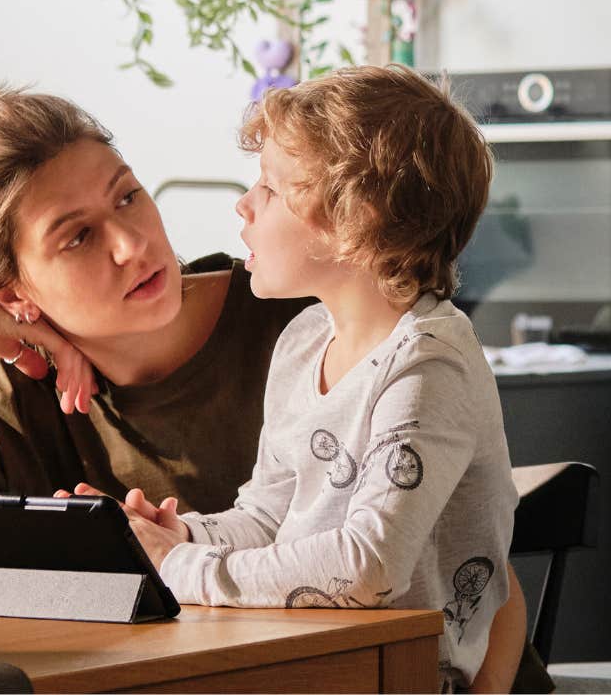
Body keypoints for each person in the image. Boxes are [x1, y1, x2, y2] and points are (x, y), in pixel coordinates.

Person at [0, 83, 540, 693]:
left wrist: (175, 562)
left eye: (127, 197)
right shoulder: (12, 397)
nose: (132, 243)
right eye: (77, 237)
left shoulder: (317, 306)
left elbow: (464, 564)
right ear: (13, 295)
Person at [75, 66, 520, 691]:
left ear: (353, 221)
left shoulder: (428, 364)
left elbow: (369, 568)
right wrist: (175, 534)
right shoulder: (305, 338)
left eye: (271, 189)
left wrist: (179, 565)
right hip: (306, 655)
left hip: (395, 675)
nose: (244, 204)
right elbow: (267, 516)